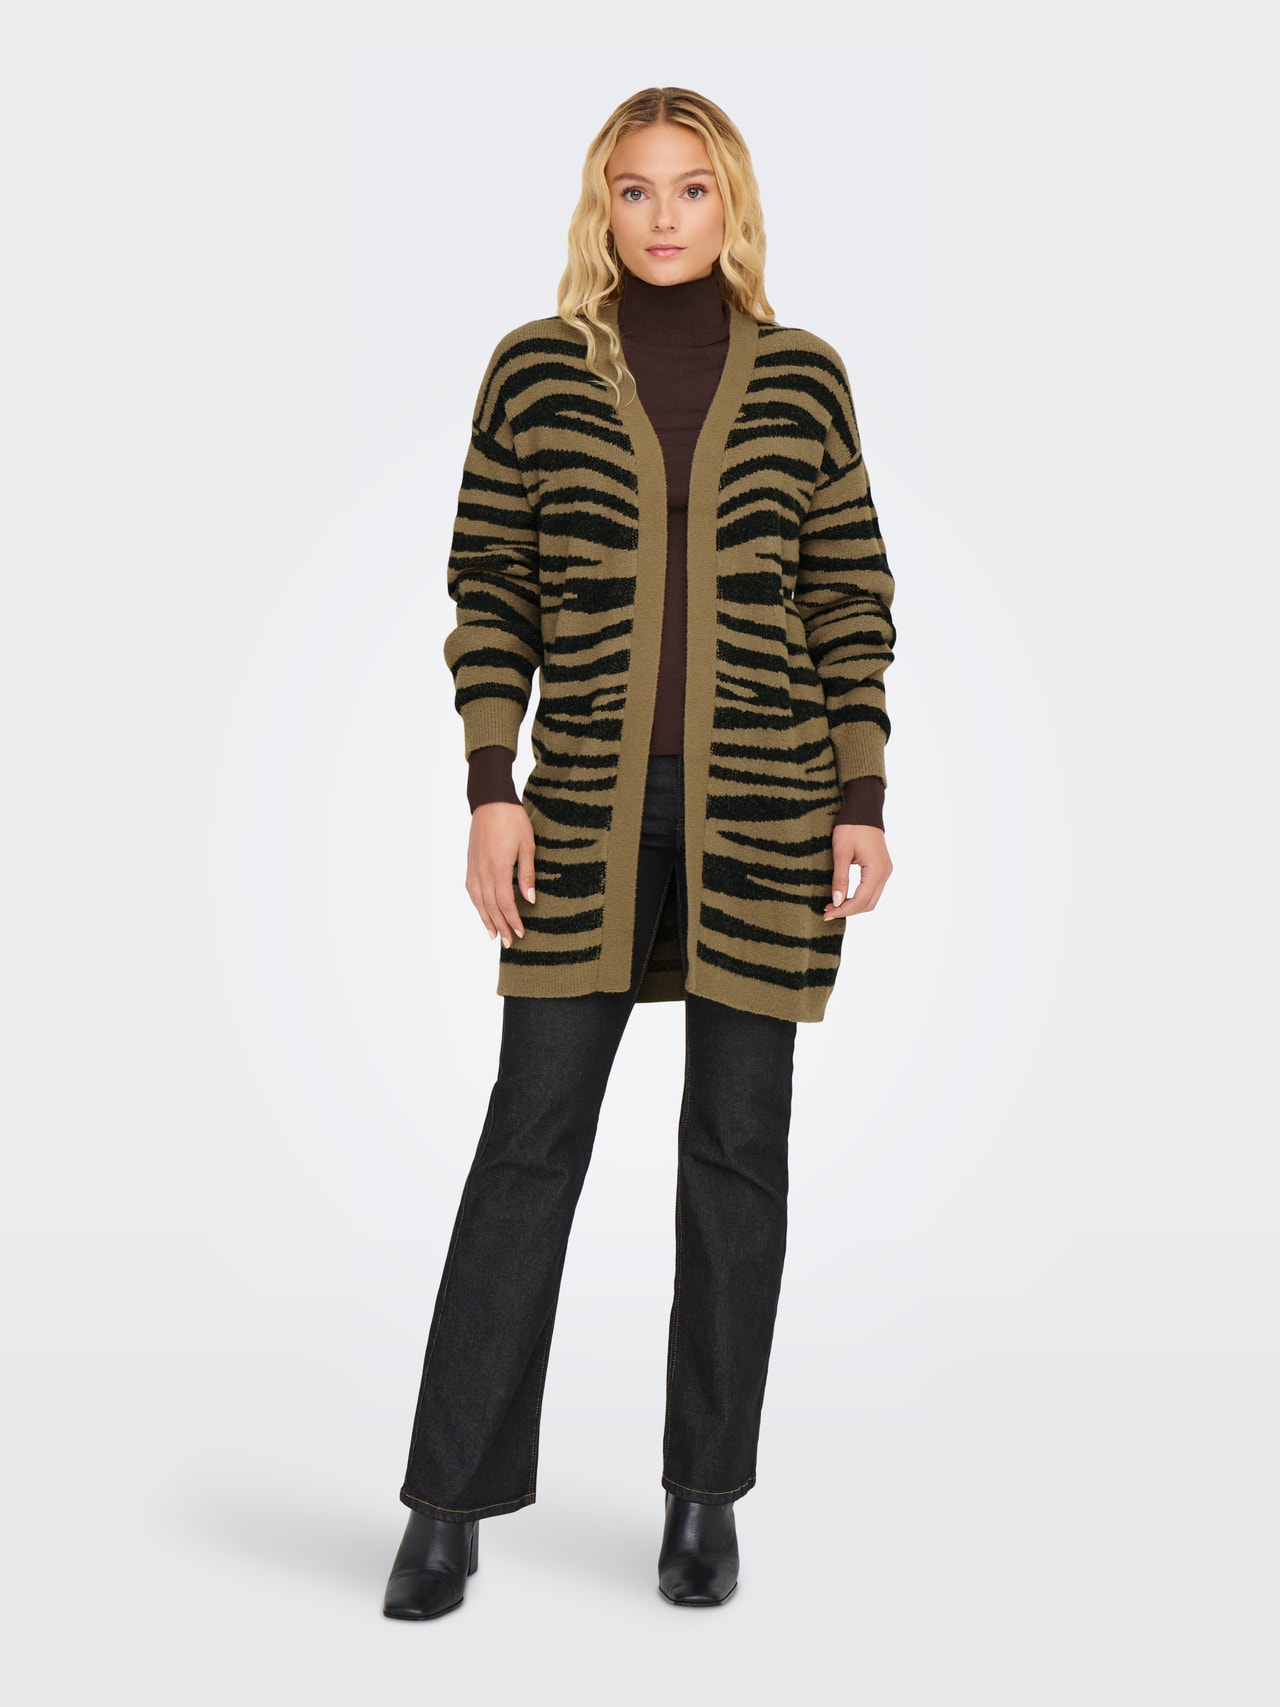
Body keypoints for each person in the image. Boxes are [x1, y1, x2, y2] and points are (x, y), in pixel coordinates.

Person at [383, 85, 896, 1620]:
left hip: (769, 816)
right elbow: (492, 585)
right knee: (530, 1140)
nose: (663, 217)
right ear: (599, 208)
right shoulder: (537, 370)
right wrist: (492, 786)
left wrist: (862, 795)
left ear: (732, 205)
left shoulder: (803, 379)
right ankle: (447, 1503)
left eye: (691, 188)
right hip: (584, 817)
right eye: (634, 189)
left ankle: (702, 1497)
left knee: (738, 1154)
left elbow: (848, 596)